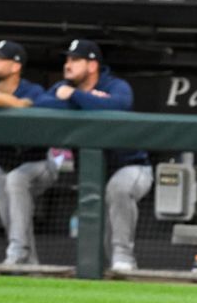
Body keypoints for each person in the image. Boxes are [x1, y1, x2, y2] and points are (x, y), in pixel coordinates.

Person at [33, 39, 153, 273]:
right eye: (67, 60)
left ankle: (124, 258)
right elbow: (41, 104)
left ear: (92, 65)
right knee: (102, 238)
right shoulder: (60, 86)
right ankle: (111, 273)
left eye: (75, 60)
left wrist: (75, 97)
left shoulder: (115, 85)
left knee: (119, 189)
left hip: (133, 167)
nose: (68, 65)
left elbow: (119, 104)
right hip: (94, 175)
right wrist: (91, 101)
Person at [0, 41, 54, 266]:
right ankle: (30, 265)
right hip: (4, 164)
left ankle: (17, 253)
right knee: (11, 216)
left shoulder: (32, 90)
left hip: (39, 164)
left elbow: (19, 105)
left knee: (16, 180)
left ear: (15, 66)